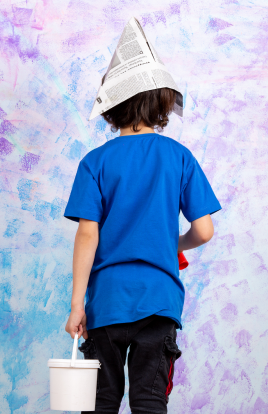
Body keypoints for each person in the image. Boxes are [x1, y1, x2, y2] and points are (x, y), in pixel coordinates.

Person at [63, 88, 221, 414]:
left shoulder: (95, 162)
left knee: (99, 402)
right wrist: (167, 244)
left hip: (107, 303)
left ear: (111, 104)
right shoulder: (179, 156)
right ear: (162, 103)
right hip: (159, 301)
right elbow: (204, 231)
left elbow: (87, 235)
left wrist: (78, 305)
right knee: (150, 401)